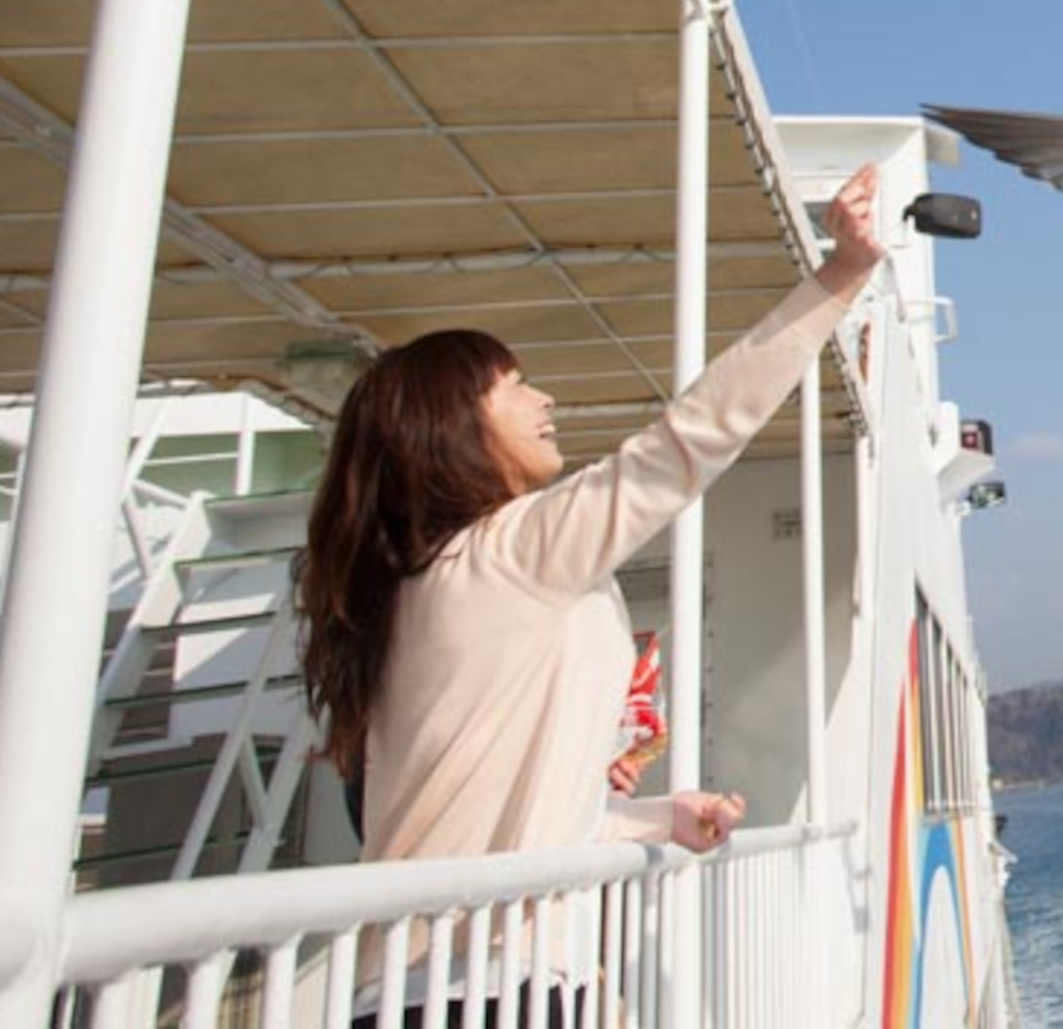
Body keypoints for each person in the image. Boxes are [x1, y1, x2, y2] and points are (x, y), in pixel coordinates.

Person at [295, 163, 886, 869]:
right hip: (491, 972)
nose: (545, 401)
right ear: (450, 429)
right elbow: (689, 440)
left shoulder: (422, 581)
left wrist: (652, 819)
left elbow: (502, 820)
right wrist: (841, 275)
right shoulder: (510, 554)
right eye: (514, 388)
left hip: (438, 968)